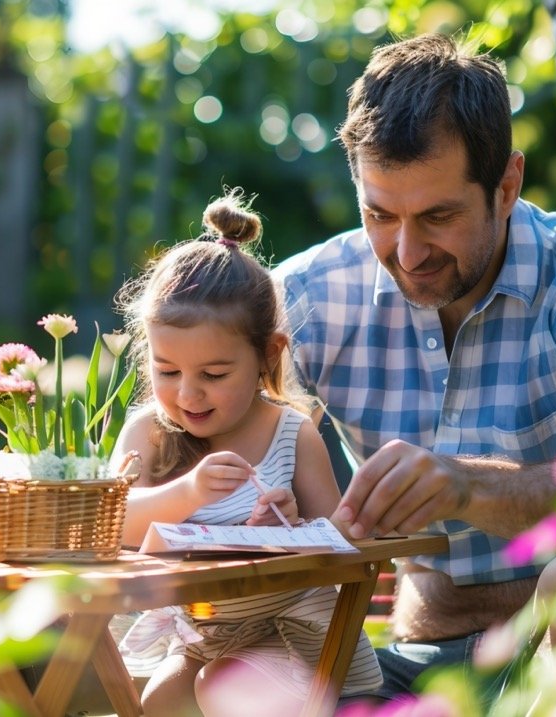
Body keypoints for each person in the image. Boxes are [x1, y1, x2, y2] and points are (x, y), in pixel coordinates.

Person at [271, 33, 556, 699]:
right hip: (403, 666)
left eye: (438, 215)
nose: (406, 252)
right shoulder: (310, 298)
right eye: (379, 214)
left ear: (508, 184)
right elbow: (200, 444)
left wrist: (464, 486)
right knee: (233, 673)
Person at [108, 188, 384, 716]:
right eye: (167, 371)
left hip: (300, 636)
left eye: (213, 375)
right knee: (160, 699)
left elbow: (344, 544)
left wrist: (291, 532)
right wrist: (186, 492)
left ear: (267, 356)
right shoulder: (149, 434)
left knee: (221, 685)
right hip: (204, 633)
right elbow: (114, 524)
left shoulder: (291, 433)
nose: (188, 394)